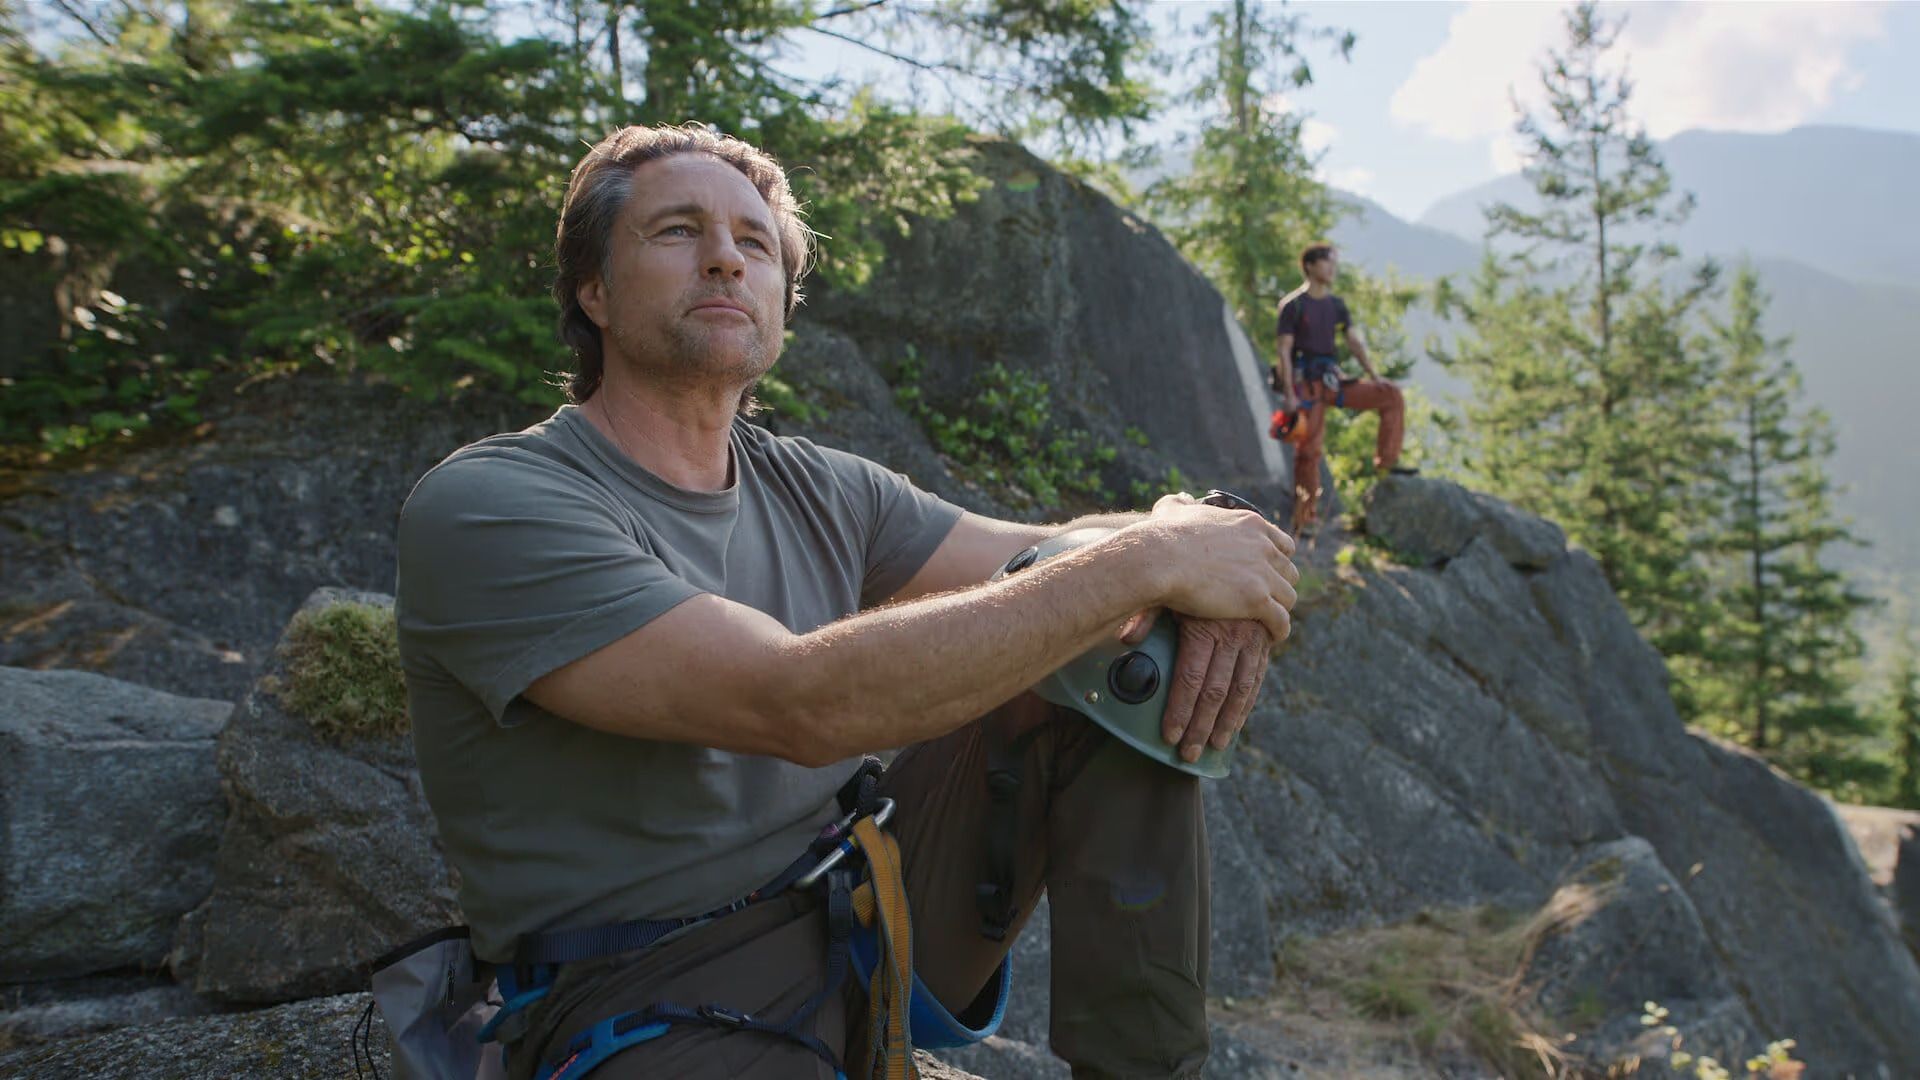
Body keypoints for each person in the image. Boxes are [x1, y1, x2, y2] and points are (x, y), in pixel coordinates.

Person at [393, 123, 1299, 1080]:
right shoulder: (493, 504)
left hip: (866, 908)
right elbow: (798, 702)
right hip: (642, 988)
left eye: (754, 242)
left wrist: (1189, 540)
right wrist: (1154, 558)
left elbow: (1047, 557)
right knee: (1104, 594)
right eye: (677, 232)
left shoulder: (817, 484)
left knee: (1119, 651)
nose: (724, 260)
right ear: (592, 291)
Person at [1271, 242, 1413, 536]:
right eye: (1326, 262)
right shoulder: (1293, 305)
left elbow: (1353, 341)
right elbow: (1284, 350)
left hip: (1333, 380)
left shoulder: (1336, 305)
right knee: (1308, 451)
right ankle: (1304, 519)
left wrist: (1374, 376)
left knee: (1391, 396)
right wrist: (1289, 394)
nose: (1332, 267)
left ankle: (1387, 464)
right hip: (1306, 385)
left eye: (1333, 262)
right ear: (1309, 265)